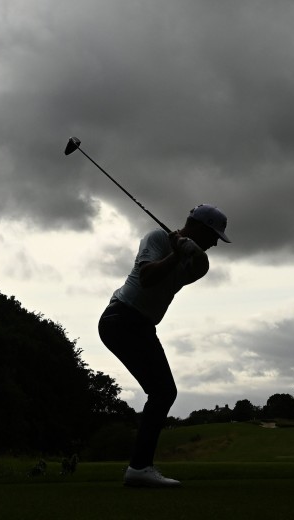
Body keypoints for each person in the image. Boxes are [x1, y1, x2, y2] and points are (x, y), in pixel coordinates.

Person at [98, 204, 231, 488]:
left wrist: (184, 252)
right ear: (197, 227)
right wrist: (176, 253)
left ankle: (140, 467)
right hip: (120, 317)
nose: (215, 244)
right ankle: (139, 468)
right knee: (163, 391)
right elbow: (147, 279)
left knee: (163, 392)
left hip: (142, 326)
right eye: (213, 236)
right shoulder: (156, 238)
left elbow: (193, 266)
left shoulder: (202, 263)